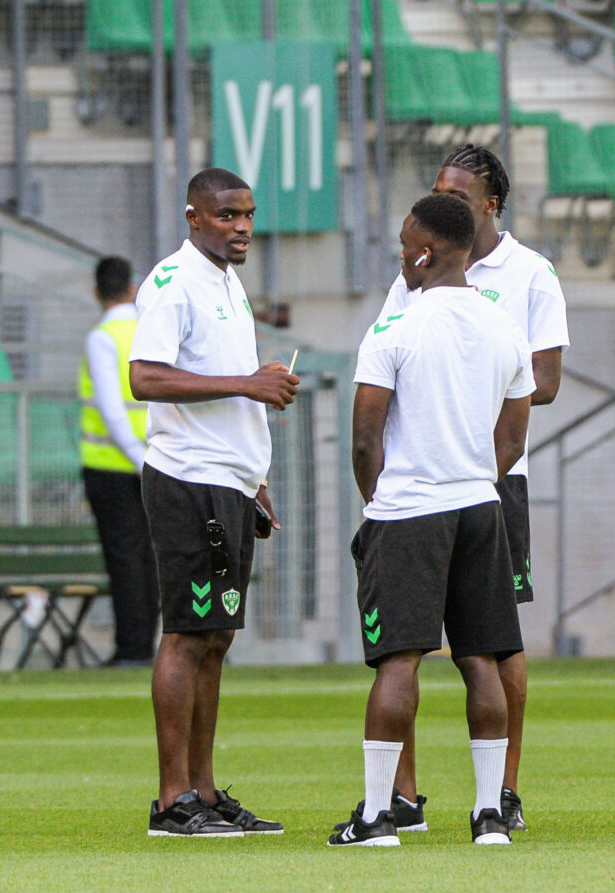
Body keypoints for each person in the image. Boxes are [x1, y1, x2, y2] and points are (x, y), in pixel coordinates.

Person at [368, 145, 568, 835]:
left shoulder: (531, 277)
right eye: (435, 185)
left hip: (488, 481)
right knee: (408, 644)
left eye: (456, 189)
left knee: (495, 647)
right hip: (418, 480)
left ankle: (501, 791)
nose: (443, 195)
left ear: (490, 204)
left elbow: (542, 382)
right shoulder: (417, 272)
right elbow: (397, 359)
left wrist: (465, 398)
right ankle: (403, 795)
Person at [328, 193, 534, 848]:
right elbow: (514, 434)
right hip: (480, 508)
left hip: (410, 514)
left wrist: (378, 502)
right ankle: (488, 816)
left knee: (398, 662)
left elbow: (364, 440)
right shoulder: (505, 328)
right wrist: (476, 475)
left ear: (424, 252)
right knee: (481, 662)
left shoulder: (395, 329)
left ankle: (377, 817)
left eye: (403, 246)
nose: (401, 256)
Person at [129, 167, 300, 837]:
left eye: (249, 215)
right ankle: (173, 800)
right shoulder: (171, 285)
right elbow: (144, 377)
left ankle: (202, 789)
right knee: (186, 633)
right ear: (195, 217)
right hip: (186, 478)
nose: (242, 228)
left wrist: (253, 473)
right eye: (227, 216)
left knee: (218, 635)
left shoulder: (226, 283)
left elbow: (230, 394)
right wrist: (248, 385)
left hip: (226, 479)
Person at [78, 256, 160, 668]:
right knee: (153, 556)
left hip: (113, 467)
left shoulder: (103, 336)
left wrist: (137, 461)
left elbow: (111, 411)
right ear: (131, 288)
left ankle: (133, 648)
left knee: (125, 558)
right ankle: (153, 644)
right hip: (159, 462)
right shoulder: (147, 328)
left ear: (96, 293)